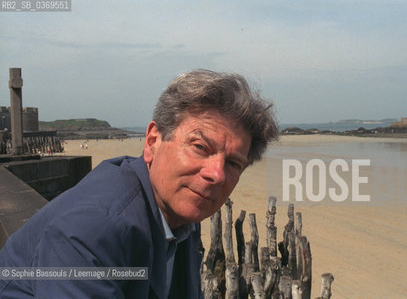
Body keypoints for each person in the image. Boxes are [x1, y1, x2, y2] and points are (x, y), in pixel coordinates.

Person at [0, 70, 279, 298]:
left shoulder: (178, 211)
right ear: (152, 142)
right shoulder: (91, 229)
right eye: (199, 147)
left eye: (232, 163)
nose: (216, 174)